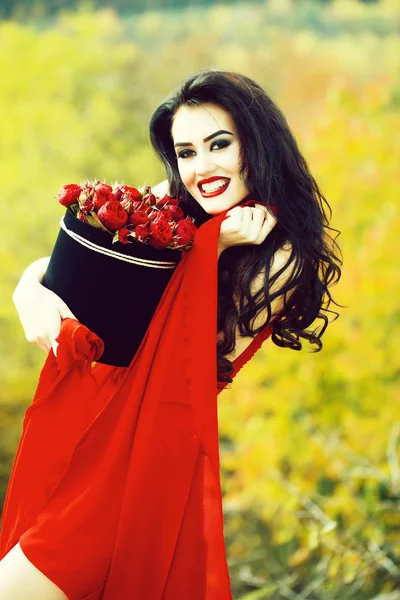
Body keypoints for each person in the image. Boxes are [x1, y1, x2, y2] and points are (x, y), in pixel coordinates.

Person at [0, 69, 341, 600]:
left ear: (258, 144)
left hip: (137, 469)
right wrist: (29, 291)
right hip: (88, 443)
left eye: (219, 145)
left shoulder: (282, 256)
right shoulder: (182, 209)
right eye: (186, 153)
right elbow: (84, 268)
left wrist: (217, 246)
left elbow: (180, 356)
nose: (201, 167)